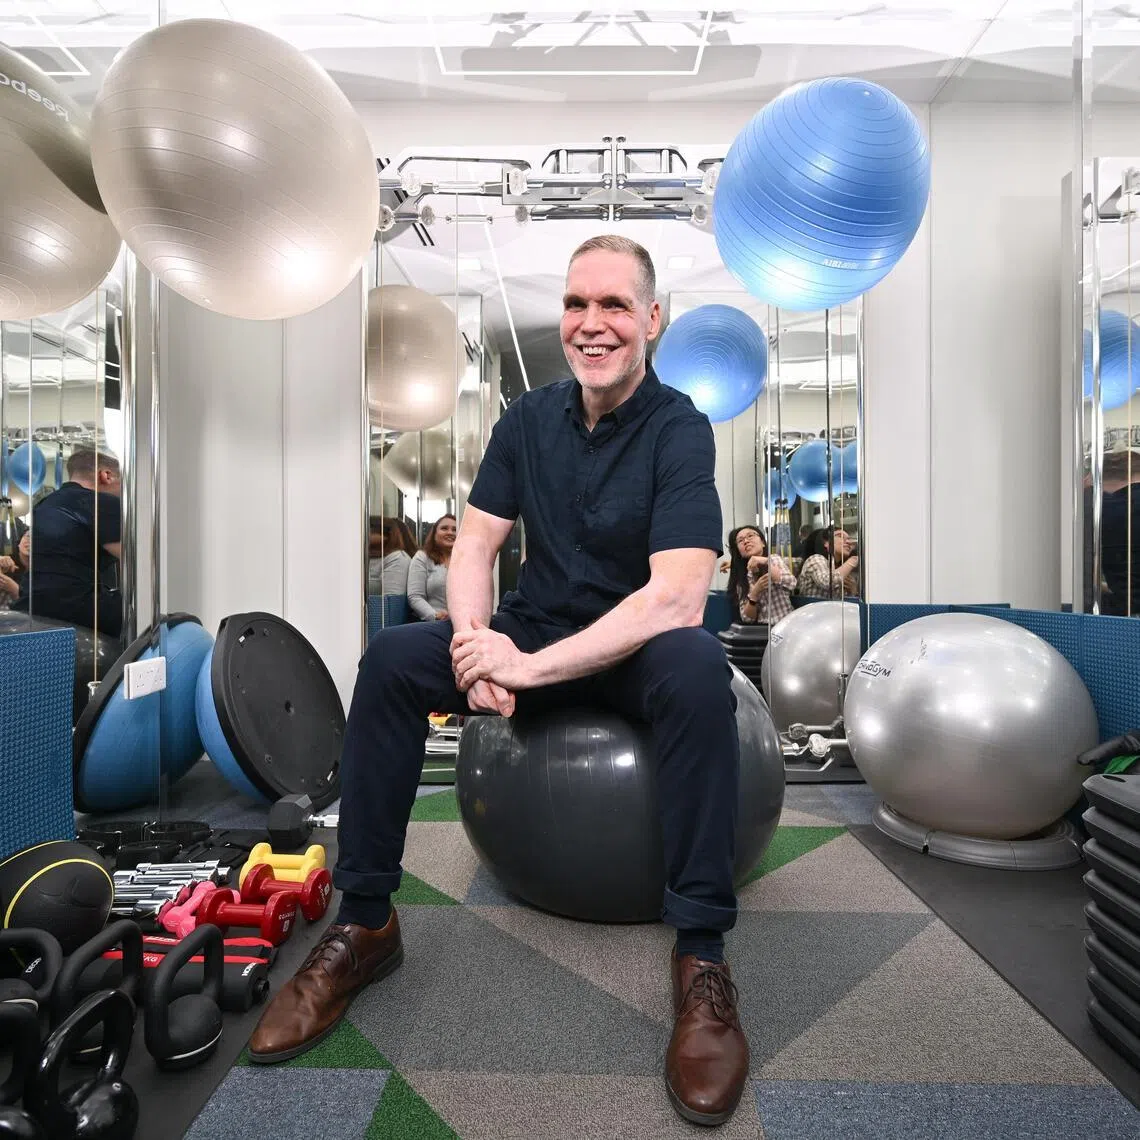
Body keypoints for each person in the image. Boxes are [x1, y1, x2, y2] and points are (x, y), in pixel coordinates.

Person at [249, 234, 750, 1127]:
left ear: (652, 320)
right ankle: (365, 923)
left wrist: (526, 665)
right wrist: (478, 643)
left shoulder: (681, 428)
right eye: (575, 305)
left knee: (697, 664)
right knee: (397, 661)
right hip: (533, 632)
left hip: (629, 649)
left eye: (614, 307)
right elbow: (476, 543)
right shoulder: (525, 421)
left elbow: (676, 597)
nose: (591, 325)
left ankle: (702, 955)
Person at [11, 448, 122, 636]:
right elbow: (139, 564)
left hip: (31, 606)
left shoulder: (44, 504)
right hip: (77, 608)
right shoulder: (100, 502)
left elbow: (33, 562)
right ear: (106, 476)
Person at [726, 525, 795, 625]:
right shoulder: (742, 578)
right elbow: (747, 618)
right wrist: (754, 594)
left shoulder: (774, 559)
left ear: (762, 542)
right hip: (761, 631)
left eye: (750, 536)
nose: (746, 541)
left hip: (786, 624)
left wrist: (764, 561)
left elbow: (791, 583)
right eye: (740, 540)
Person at [406, 514, 455, 621]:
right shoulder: (422, 557)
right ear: (434, 533)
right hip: (434, 623)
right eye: (444, 528)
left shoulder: (467, 559)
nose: (450, 532)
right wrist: (435, 616)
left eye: (455, 529)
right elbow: (415, 597)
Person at [797, 526, 860, 599]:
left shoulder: (841, 569)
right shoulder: (816, 559)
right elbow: (827, 582)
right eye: (840, 536)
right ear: (826, 543)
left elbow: (843, 604)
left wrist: (853, 591)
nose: (848, 542)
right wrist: (852, 561)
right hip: (814, 609)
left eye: (849, 539)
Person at [367, 516, 416, 597]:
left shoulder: (397, 558)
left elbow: (391, 600)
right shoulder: (364, 557)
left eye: (369, 530)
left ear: (385, 535)